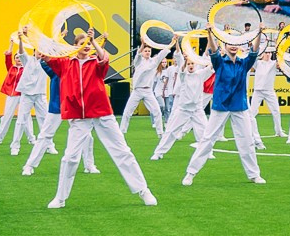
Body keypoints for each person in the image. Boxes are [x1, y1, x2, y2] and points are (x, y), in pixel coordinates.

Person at [46, 31, 158, 208]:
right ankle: (60, 198)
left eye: (89, 42)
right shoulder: (66, 63)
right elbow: (48, 55)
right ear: (75, 46)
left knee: (122, 151)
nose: (87, 45)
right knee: (70, 157)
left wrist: (93, 41)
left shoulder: (96, 62)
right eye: (83, 42)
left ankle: (143, 190)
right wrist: (55, 37)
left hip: (101, 112)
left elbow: (104, 59)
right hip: (78, 116)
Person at [181, 40, 267, 186]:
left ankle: (254, 174)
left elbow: (254, 51)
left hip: (239, 106)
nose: (233, 46)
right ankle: (190, 173)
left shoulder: (244, 63)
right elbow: (213, 50)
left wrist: (258, 33)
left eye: (235, 43)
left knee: (247, 141)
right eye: (229, 43)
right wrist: (209, 32)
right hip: (220, 106)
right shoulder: (219, 62)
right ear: (225, 46)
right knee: (207, 140)